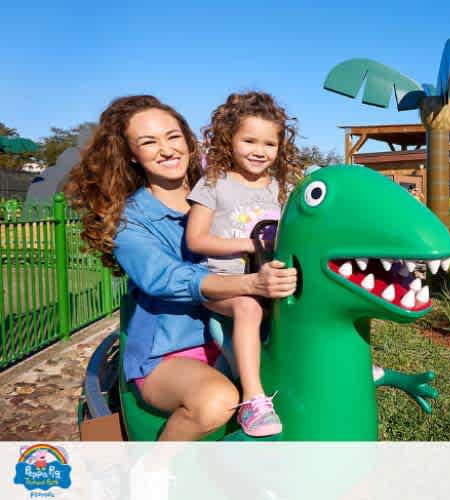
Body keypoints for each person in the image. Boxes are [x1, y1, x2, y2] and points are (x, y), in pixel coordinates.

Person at [63, 95, 297, 441]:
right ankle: (154, 471)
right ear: (130, 153)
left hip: (240, 334)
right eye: (148, 141)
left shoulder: (230, 186)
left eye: (173, 136)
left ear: (188, 141)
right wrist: (250, 284)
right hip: (172, 349)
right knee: (217, 400)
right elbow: (166, 278)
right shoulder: (132, 222)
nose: (166, 149)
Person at [185, 92, 304, 437]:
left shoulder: (283, 189)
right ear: (229, 140)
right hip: (222, 284)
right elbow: (195, 240)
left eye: (269, 143)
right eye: (249, 140)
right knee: (249, 307)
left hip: (269, 282)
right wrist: (253, 244)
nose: (259, 150)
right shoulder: (214, 185)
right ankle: (253, 401)